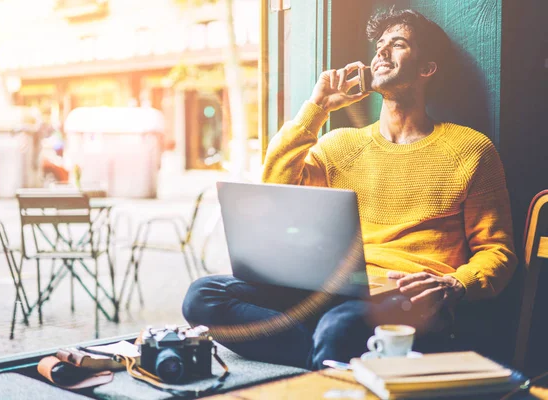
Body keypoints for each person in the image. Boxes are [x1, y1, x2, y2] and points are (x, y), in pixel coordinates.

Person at [182, 8, 518, 370]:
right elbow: (276, 189)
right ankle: (340, 357)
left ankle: (331, 350)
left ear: (427, 69)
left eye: (399, 44)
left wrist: (456, 284)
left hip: (405, 295)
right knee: (203, 297)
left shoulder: (470, 149)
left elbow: (496, 251)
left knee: (339, 328)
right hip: (328, 288)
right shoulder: (338, 145)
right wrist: (317, 109)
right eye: (380, 45)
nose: (382, 53)